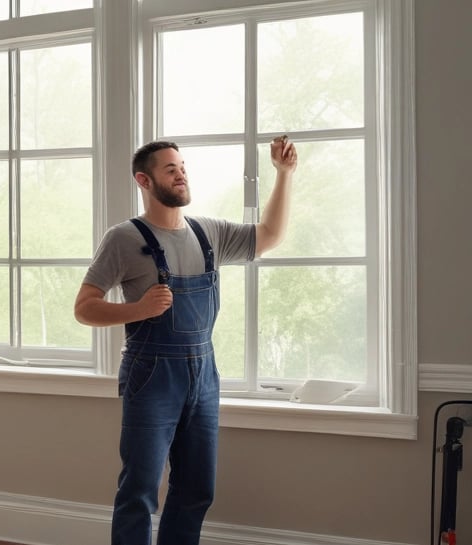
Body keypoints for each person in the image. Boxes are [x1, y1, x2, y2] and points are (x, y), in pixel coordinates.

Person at [74, 138, 297, 545]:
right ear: (144, 180)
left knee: (196, 490)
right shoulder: (124, 238)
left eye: (182, 166)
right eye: (170, 169)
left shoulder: (207, 232)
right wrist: (137, 309)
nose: (181, 174)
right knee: (140, 492)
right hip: (151, 374)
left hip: (204, 374)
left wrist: (284, 175)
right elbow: (84, 308)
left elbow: (269, 236)